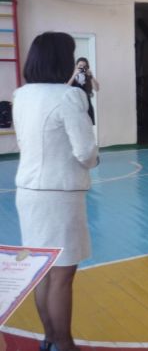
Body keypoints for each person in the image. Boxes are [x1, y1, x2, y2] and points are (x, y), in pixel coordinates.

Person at [13, 32, 98, 351]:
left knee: (44, 271)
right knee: (62, 275)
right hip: (59, 195)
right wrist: (95, 159)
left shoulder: (22, 94)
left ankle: (50, 338)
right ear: (62, 60)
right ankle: (65, 344)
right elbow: (85, 151)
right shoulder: (69, 96)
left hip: (28, 192)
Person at [67, 57, 99, 125]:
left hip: (87, 108)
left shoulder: (88, 77)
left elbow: (97, 88)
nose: (82, 68)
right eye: (80, 66)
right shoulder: (71, 76)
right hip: (74, 109)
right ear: (76, 66)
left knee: (88, 129)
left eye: (84, 66)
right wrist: (74, 75)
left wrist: (91, 76)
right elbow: (65, 88)